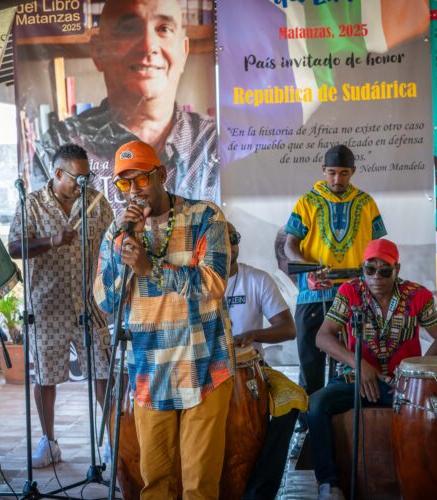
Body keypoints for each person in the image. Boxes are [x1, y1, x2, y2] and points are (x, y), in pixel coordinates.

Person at [94, 140, 233, 498]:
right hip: (150, 370)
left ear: (162, 175)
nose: (133, 191)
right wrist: (126, 244)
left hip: (203, 367)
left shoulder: (205, 217)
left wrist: (150, 268)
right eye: (124, 184)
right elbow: (106, 300)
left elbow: (214, 282)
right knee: (154, 485)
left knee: (199, 486)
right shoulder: (117, 232)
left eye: (140, 180)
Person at [33, 0, 218, 213]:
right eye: (129, 29)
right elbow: (49, 230)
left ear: (183, 52)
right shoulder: (57, 147)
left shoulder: (213, 142)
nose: (148, 46)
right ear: (99, 52)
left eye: (164, 29)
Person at [307, 238, 437, 500]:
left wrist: (413, 374)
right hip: (354, 380)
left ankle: (428, 478)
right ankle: (329, 484)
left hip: (404, 386)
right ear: (363, 269)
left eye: (384, 270)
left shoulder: (417, 295)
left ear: (397, 268)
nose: (376, 277)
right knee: (316, 405)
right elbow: (323, 337)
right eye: (369, 270)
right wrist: (360, 366)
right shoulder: (350, 292)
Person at [7, 144, 114, 468]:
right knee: (46, 376)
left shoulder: (96, 202)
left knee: (102, 372)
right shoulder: (33, 204)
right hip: (47, 304)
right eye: (77, 178)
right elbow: (14, 246)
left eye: (87, 177)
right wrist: (50, 241)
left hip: (90, 303)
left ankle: (111, 439)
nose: (84, 184)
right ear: (57, 174)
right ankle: (49, 441)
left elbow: (114, 240)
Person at [283, 144, 386, 428]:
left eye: (343, 173)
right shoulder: (307, 201)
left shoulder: (366, 203)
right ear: (323, 171)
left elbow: (377, 247)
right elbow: (290, 244)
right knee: (310, 360)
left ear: (353, 172)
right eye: (332, 173)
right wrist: (309, 268)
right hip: (314, 292)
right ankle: (309, 424)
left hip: (358, 293)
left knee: (357, 358)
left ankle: (351, 422)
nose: (337, 179)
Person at [225, 222, 306, 499]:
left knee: (292, 398)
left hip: (253, 368)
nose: (229, 245)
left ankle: (260, 490)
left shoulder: (257, 280)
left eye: (233, 238)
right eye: (221, 239)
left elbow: (288, 328)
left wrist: (253, 334)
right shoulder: (194, 281)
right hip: (202, 371)